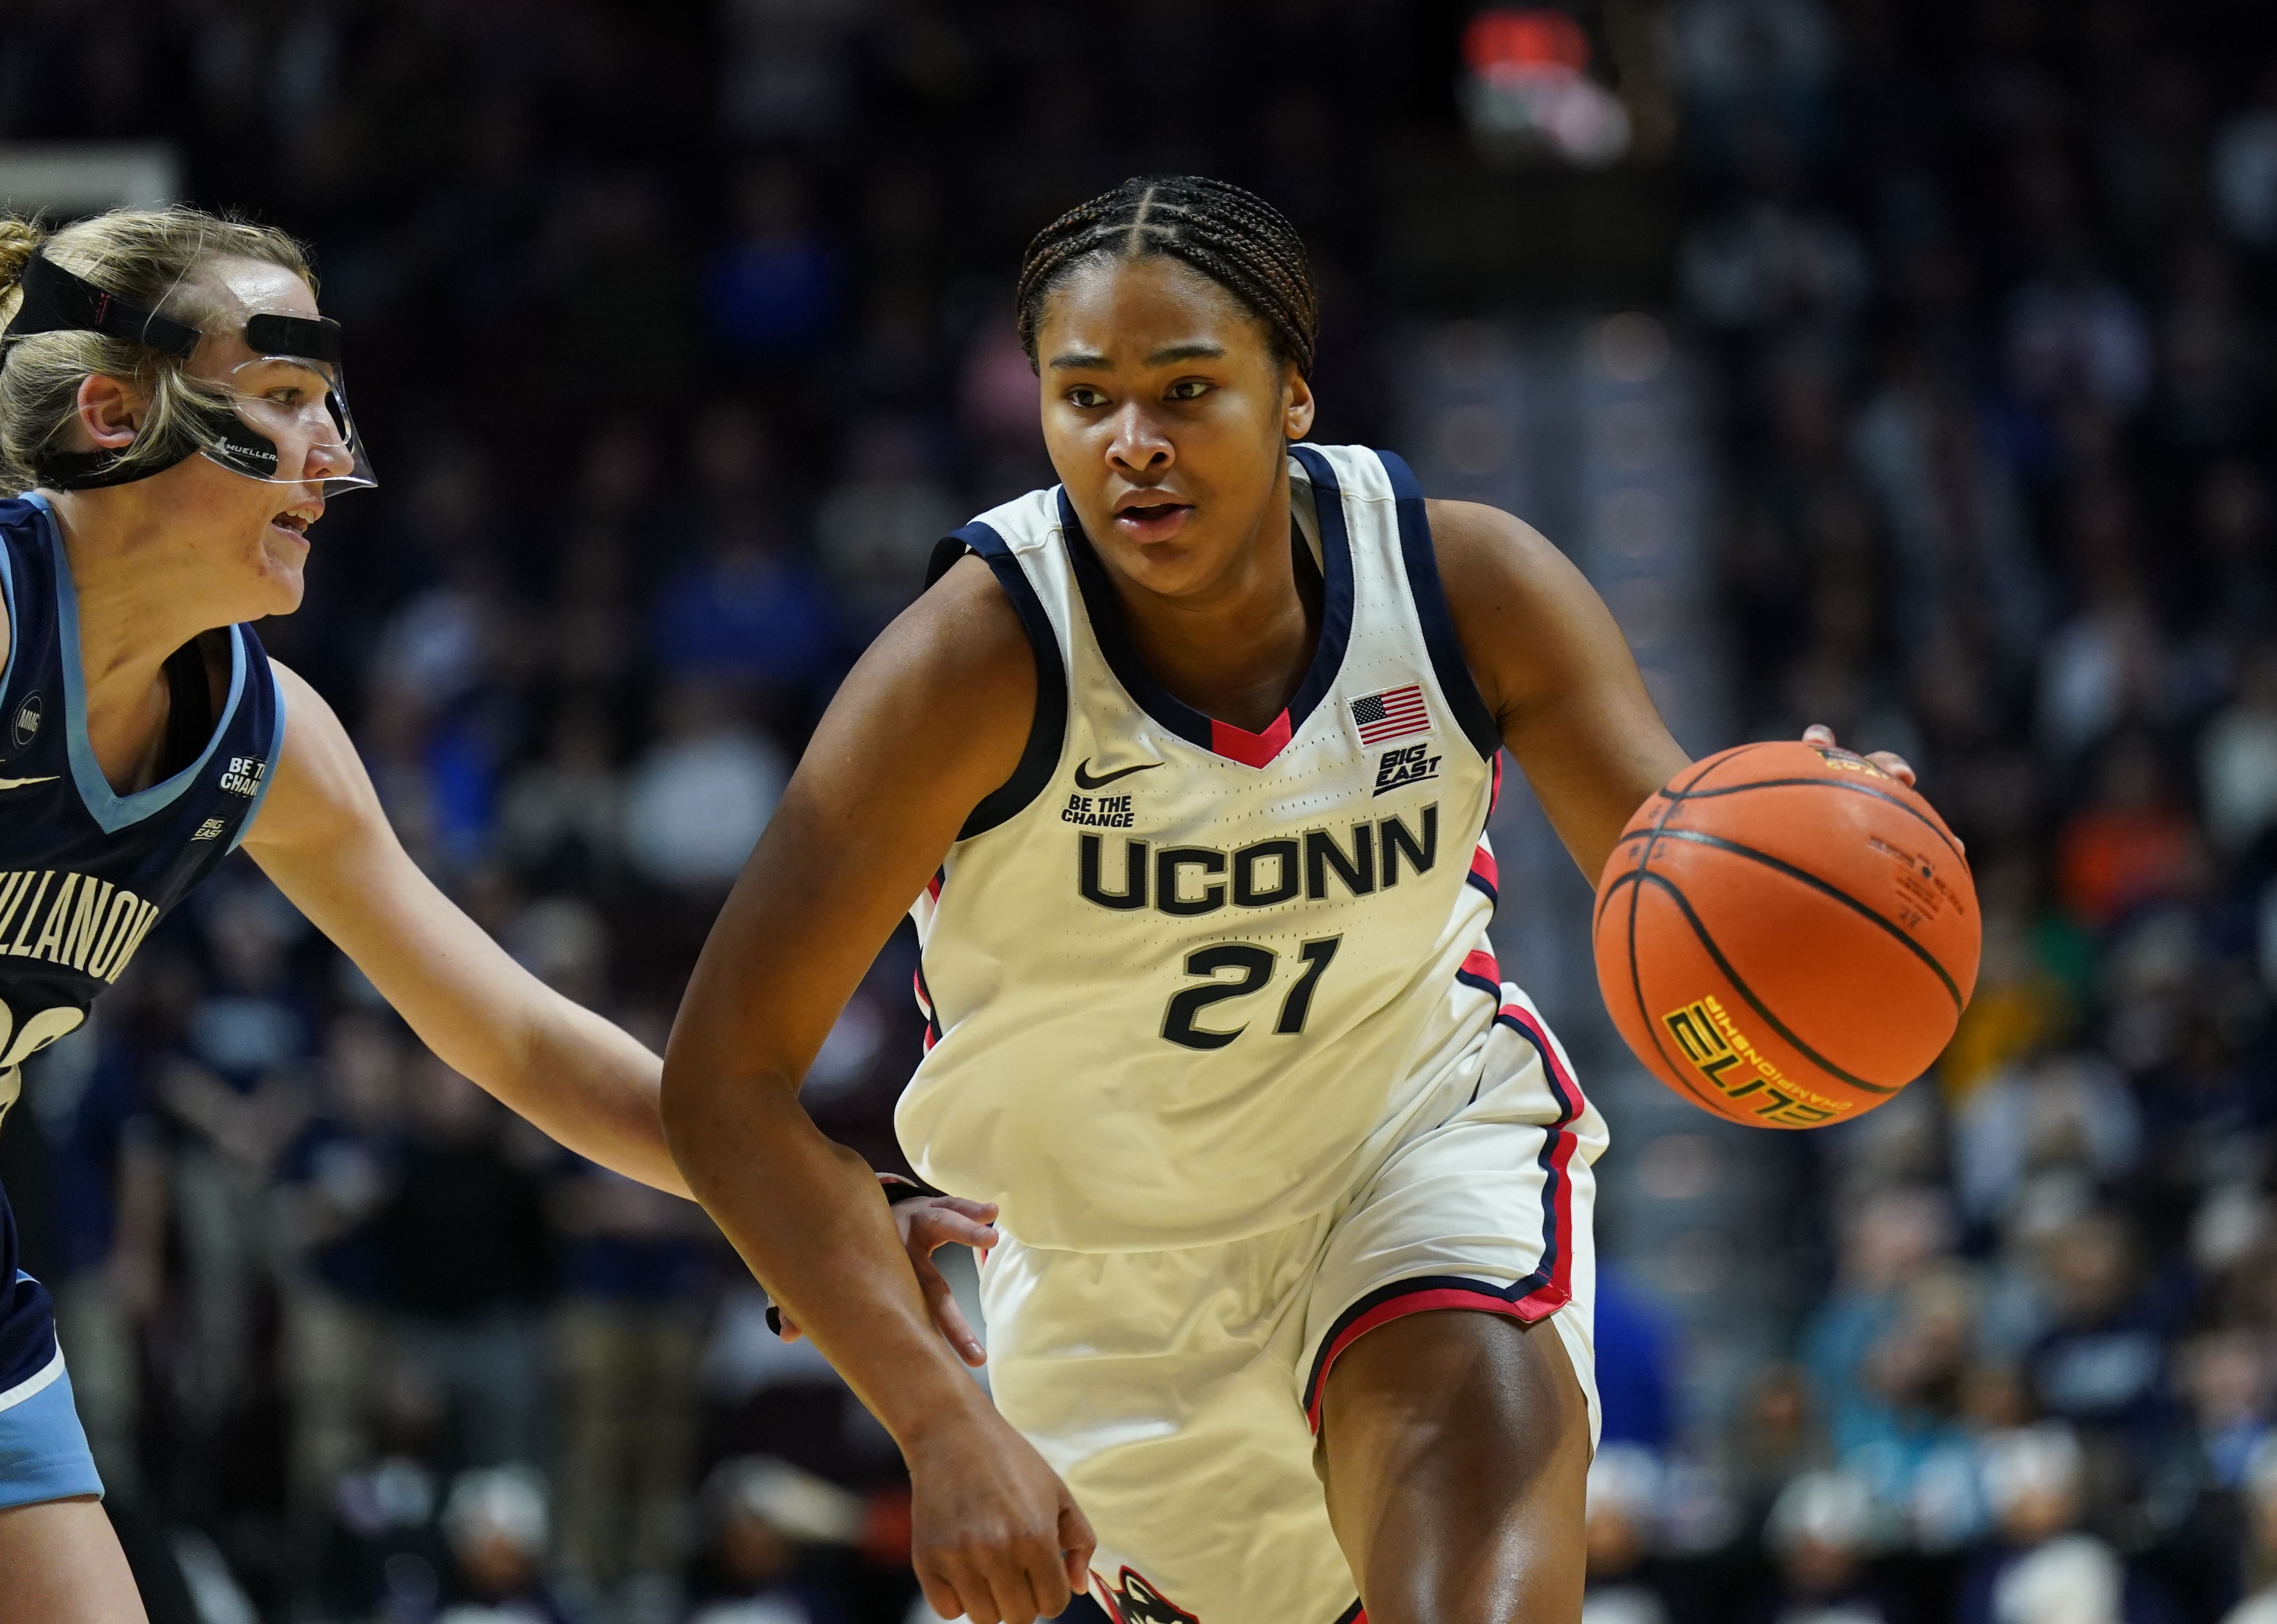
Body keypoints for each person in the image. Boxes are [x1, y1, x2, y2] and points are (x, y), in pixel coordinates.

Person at [662, 174, 1925, 1624]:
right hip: (1108, 1273)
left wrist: (1816, 850)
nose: (1131, 443)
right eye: (1085, 399)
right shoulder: (968, 662)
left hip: (1405, 1150)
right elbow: (724, 1081)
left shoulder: (1470, 586)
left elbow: (1685, 872)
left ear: (1294, 396)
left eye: (1187, 389)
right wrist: (938, 1418)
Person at [0, 206, 979, 1624]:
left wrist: (817, 1201)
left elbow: (515, 1038)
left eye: (330, 408)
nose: (328, 460)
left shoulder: (267, 738)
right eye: (280, 402)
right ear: (113, 412)